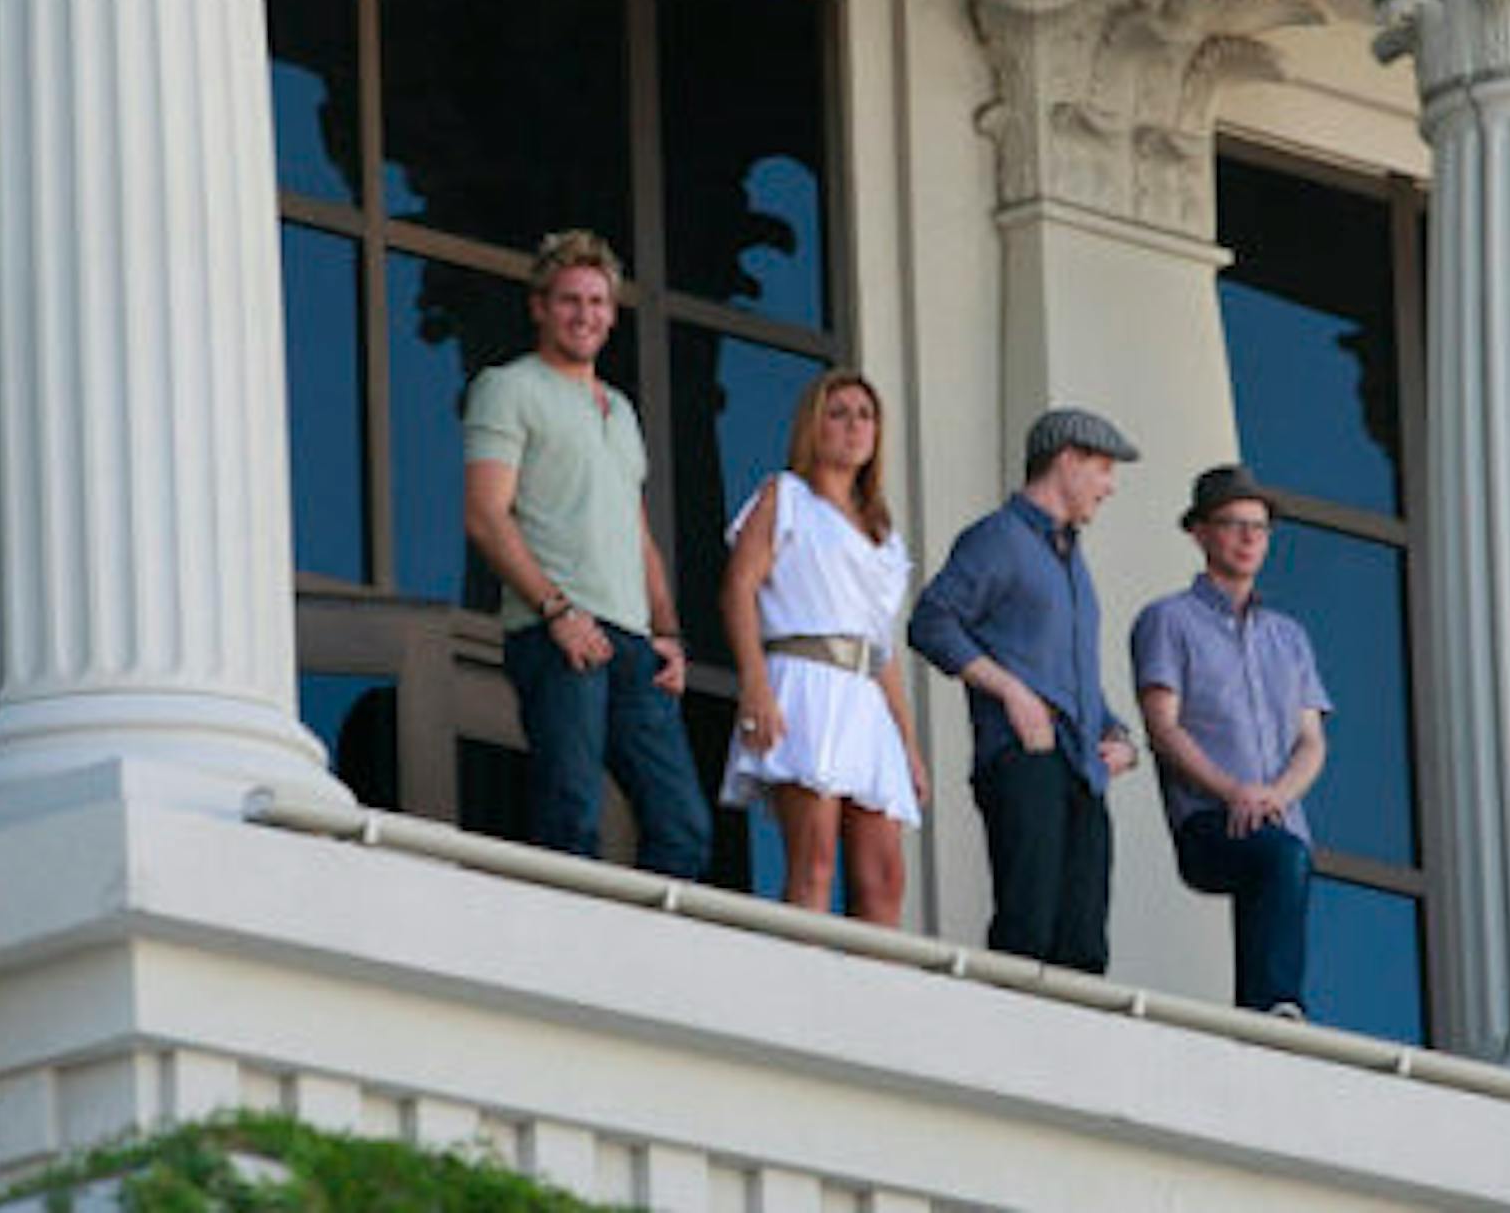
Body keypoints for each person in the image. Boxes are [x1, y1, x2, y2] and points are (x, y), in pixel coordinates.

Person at [462, 229, 711, 878]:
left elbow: (639, 535)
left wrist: (668, 632)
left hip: (634, 644)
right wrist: (556, 611)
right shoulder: (507, 387)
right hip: (558, 631)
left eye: (598, 302)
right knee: (569, 815)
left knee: (683, 825)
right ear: (540, 306)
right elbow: (486, 517)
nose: (585, 315)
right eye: (570, 300)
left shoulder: (620, 411)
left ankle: (650, 966)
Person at [908, 408, 1142, 973]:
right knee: (1027, 926)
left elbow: (1073, 675)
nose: (1110, 487)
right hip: (1024, 759)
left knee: (1084, 945)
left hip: (1083, 771)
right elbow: (931, 622)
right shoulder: (997, 539)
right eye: (1103, 470)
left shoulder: (1072, 561)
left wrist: (1119, 736)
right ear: (1067, 460)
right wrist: (1011, 692)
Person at [719, 371, 928, 925]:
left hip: (866, 698)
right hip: (805, 681)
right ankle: (799, 989)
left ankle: (874, 1000)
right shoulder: (786, 496)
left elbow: (881, 647)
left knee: (884, 879)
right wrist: (755, 685)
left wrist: (906, 743)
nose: (855, 425)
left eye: (865, 414)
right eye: (838, 413)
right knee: (813, 861)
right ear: (814, 426)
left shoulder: (884, 532)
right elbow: (739, 589)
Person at [1129, 463, 1330, 1018]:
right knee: (1278, 858)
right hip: (1208, 819)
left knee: (1282, 860)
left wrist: (1276, 795)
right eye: (1234, 524)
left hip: (1277, 819)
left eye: (1260, 528)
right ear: (1200, 532)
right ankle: (1275, 1007)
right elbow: (1163, 728)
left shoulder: (1289, 637)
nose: (1248, 538)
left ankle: (1260, 1019)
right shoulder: (1168, 620)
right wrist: (1235, 791)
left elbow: (1311, 740)